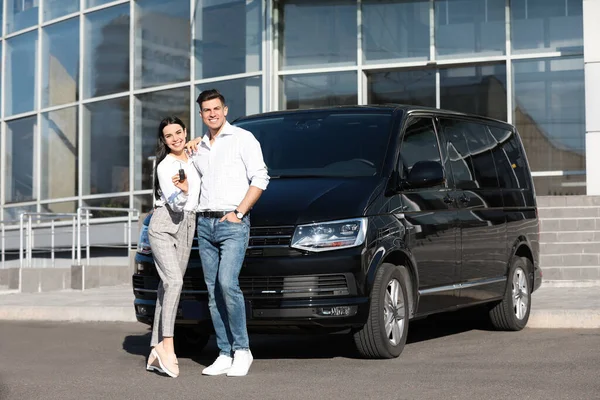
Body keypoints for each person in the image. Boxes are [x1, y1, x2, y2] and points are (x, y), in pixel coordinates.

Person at [185, 89, 269, 377]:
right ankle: (224, 352)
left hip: (232, 223)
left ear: (225, 109)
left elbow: (261, 177)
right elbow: (194, 183)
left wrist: (239, 213)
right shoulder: (198, 148)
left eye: (216, 108)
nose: (212, 113)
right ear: (201, 114)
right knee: (212, 292)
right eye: (207, 110)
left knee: (226, 284)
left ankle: (242, 350)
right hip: (204, 224)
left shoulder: (243, 138)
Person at [145, 116, 201, 378]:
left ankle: (155, 348)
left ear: (185, 132)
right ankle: (168, 346)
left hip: (188, 225)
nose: (176, 138)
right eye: (169, 136)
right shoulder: (165, 166)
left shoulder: (193, 155)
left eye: (179, 132)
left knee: (165, 287)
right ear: (164, 141)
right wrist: (186, 189)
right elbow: (176, 204)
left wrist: (200, 144)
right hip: (164, 225)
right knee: (174, 283)